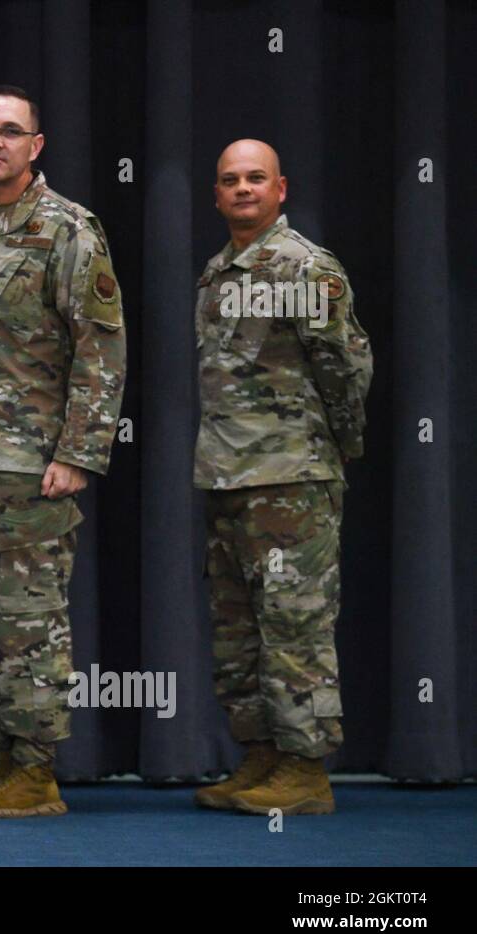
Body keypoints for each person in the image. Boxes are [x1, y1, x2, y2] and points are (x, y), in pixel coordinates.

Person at [0, 85, 126, 817]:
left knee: (27, 623)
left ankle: (36, 774)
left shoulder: (68, 228)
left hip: (30, 466)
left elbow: (100, 348)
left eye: (12, 131)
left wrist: (78, 452)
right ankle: (0, 760)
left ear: (35, 146)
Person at [193, 139, 372, 815]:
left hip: (292, 477)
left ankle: (304, 770)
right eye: (230, 180)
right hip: (228, 476)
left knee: (295, 626)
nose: (242, 188)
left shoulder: (305, 268)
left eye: (255, 179)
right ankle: (261, 756)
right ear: (217, 194)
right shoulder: (217, 271)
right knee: (239, 631)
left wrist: (337, 445)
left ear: (281, 188)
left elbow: (346, 366)